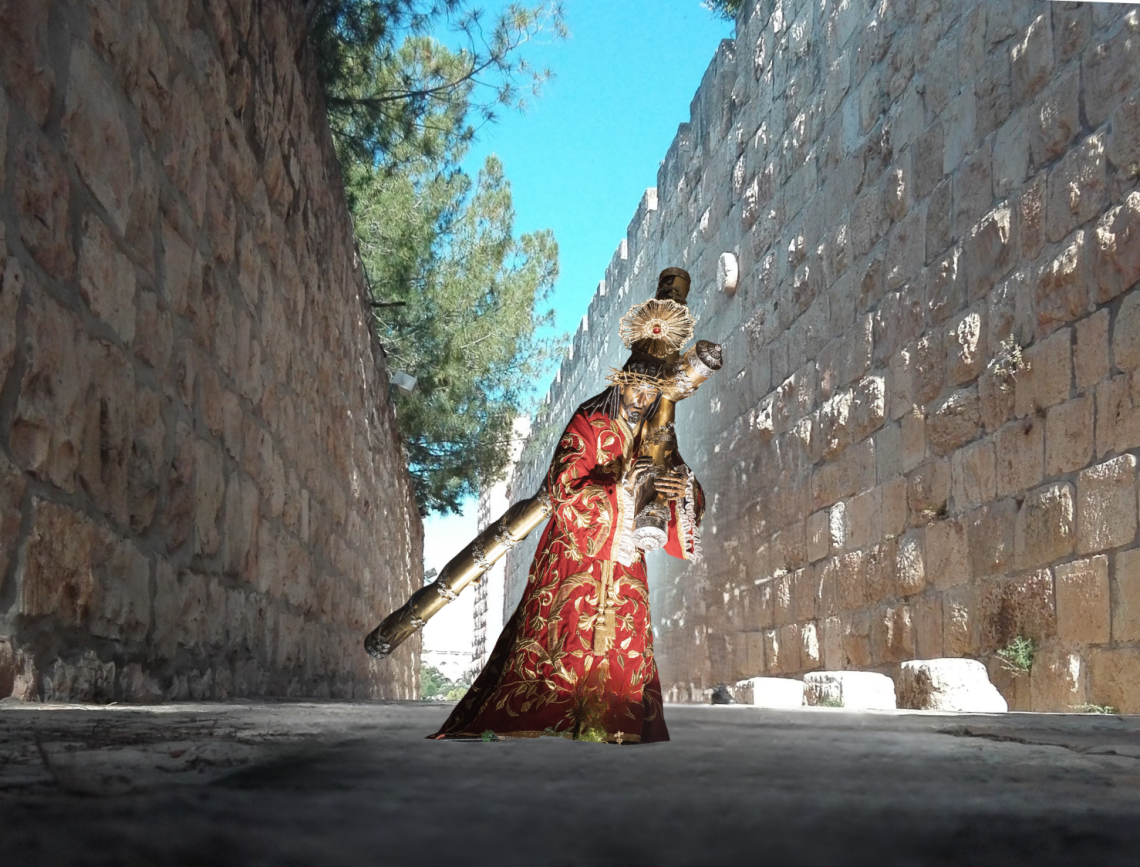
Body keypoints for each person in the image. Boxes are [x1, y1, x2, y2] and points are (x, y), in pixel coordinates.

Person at [430, 359, 703, 744]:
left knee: (623, 641)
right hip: (577, 553)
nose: (642, 398)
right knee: (565, 631)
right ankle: (546, 712)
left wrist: (681, 487)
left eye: (651, 390)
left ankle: (615, 720)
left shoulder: (654, 430)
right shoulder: (589, 420)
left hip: (624, 561)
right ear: (620, 382)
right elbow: (564, 484)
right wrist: (623, 486)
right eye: (636, 387)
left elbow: (678, 479)